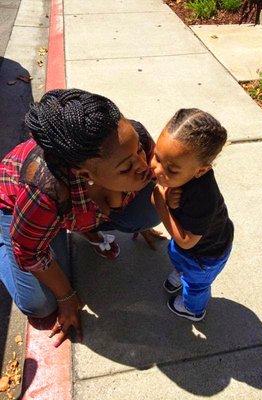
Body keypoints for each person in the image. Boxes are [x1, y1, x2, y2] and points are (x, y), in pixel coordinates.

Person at [0, 89, 161, 347]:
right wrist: (66, 297)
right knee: (40, 305)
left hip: (64, 211)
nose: (143, 165)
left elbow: (149, 173)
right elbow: (29, 252)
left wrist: (139, 221)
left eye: (139, 151)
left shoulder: (132, 138)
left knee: (150, 210)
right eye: (126, 167)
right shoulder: (45, 190)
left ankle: (78, 226)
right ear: (83, 173)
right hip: (16, 210)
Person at [151, 109, 234, 321]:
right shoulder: (185, 173)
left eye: (171, 169)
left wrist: (161, 205)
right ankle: (182, 272)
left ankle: (193, 309)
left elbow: (186, 241)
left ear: (201, 171)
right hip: (192, 250)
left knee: (196, 285)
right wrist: (169, 201)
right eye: (157, 157)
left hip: (205, 256)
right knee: (179, 258)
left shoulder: (204, 198)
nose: (158, 170)